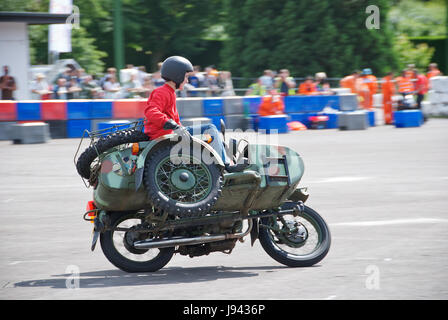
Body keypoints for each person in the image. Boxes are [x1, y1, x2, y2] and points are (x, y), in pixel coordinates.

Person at [143, 56, 247, 173]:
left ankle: (222, 159)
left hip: (171, 133)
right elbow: (151, 112)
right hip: (164, 136)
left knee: (212, 137)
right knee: (210, 128)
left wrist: (177, 126)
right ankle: (226, 166)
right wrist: (174, 125)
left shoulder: (170, 92)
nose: (187, 80)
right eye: (186, 77)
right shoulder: (161, 92)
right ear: (177, 75)